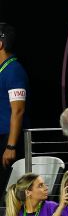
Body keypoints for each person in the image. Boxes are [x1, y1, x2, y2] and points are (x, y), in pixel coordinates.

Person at [0, 23, 29, 202]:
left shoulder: (14, 71)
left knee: (6, 192)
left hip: (6, 140)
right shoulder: (3, 70)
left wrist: (10, 146)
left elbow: (18, 110)